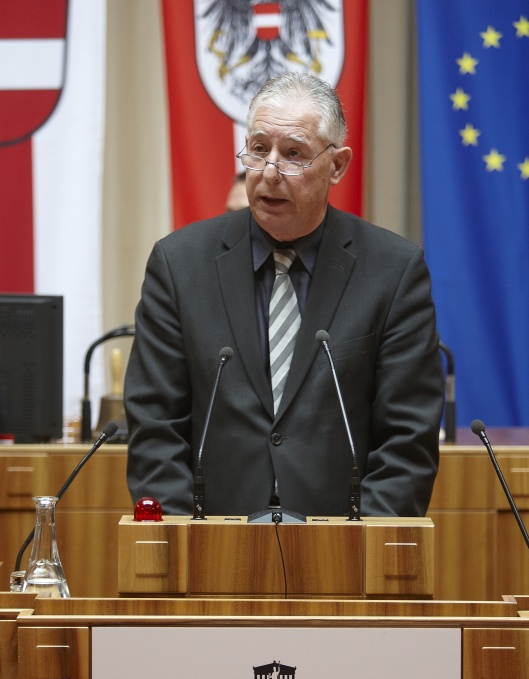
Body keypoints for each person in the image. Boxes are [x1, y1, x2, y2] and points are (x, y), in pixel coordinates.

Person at [124, 72, 444, 518]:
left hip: (344, 554)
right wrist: (184, 544)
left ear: (337, 165)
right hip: (208, 546)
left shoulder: (392, 271)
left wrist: (357, 550)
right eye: (258, 150)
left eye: (293, 154)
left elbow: (408, 440)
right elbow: (155, 427)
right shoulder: (179, 265)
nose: (270, 172)